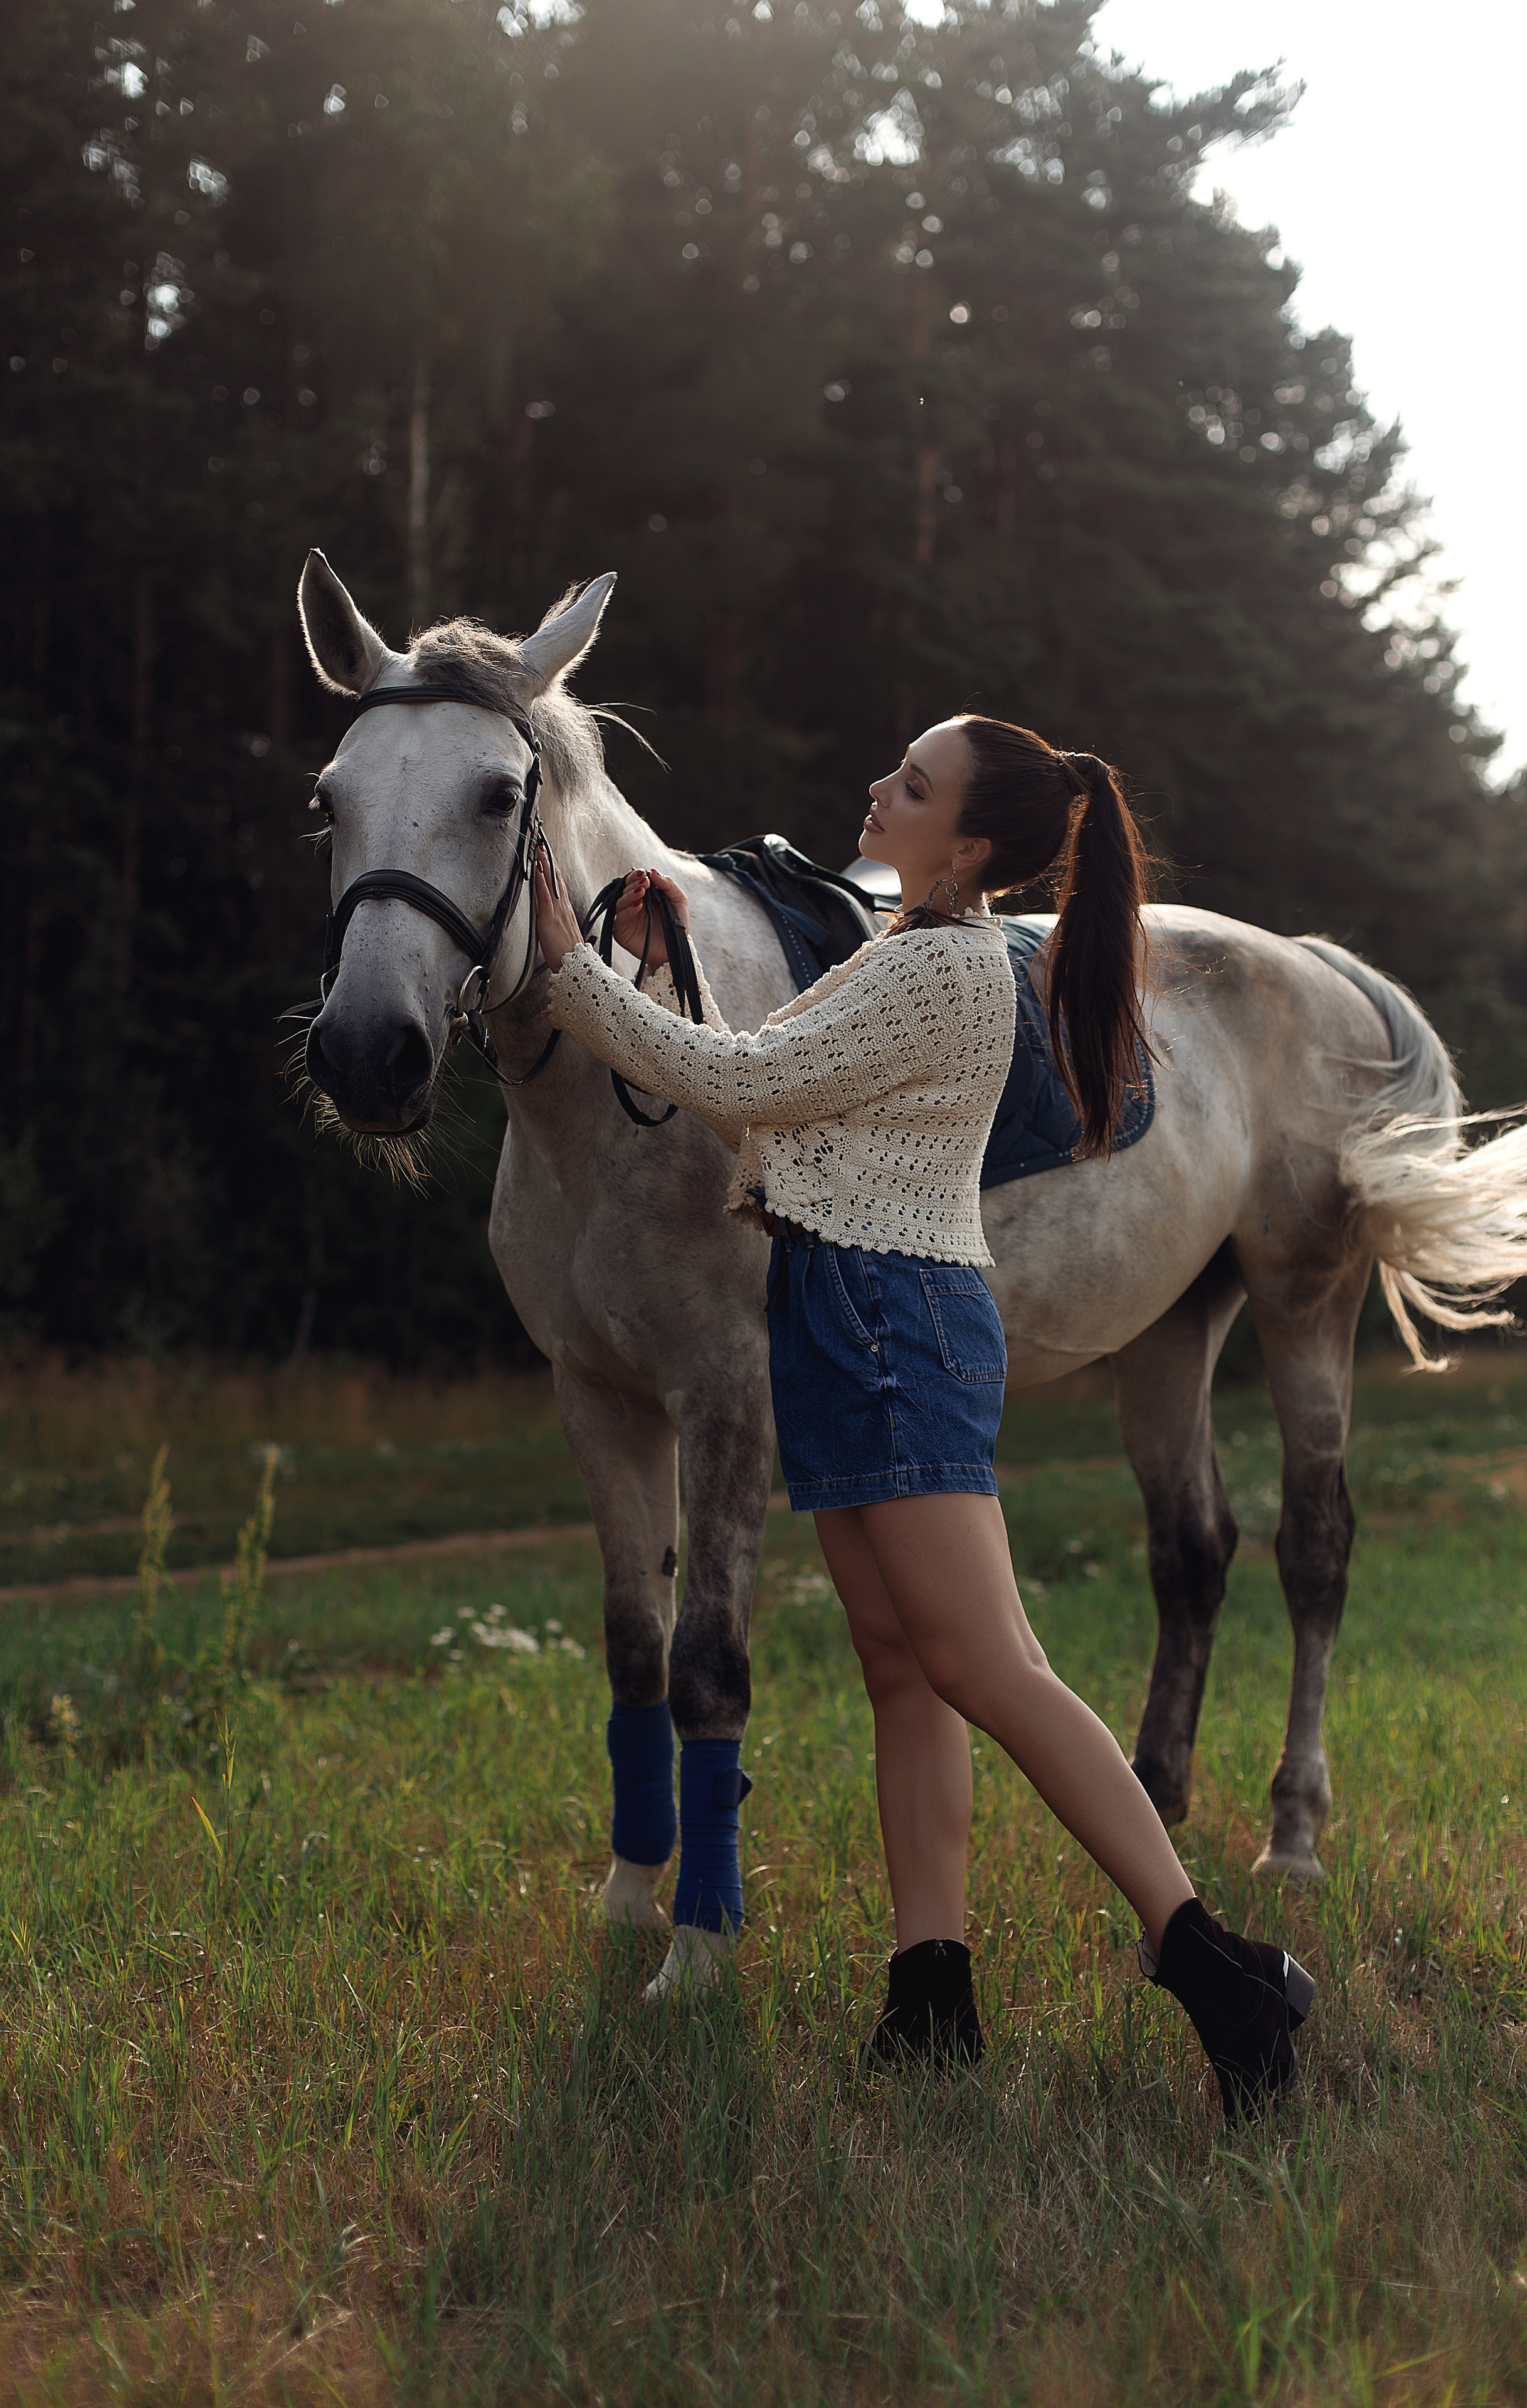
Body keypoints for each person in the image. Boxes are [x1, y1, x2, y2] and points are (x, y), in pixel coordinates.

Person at [531, 714, 1314, 2119]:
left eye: (911, 784)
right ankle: (930, 1993)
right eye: (890, 769)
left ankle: (1218, 1969)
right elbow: (762, 1098)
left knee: (989, 1667)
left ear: (967, 845)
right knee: (901, 1669)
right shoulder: (900, 949)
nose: (876, 790)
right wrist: (655, 965)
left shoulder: (943, 969)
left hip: (894, 1327)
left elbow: (741, 1085)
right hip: (845, 1321)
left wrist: (567, 972)